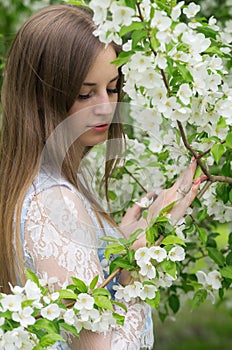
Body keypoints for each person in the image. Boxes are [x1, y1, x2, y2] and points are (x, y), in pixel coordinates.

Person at [0, 4, 203, 349]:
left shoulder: (36, 178)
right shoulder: (54, 201)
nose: (107, 107)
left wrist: (117, 246)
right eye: (84, 93)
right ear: (40, 97)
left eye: (112, 88)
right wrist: (134, 271)